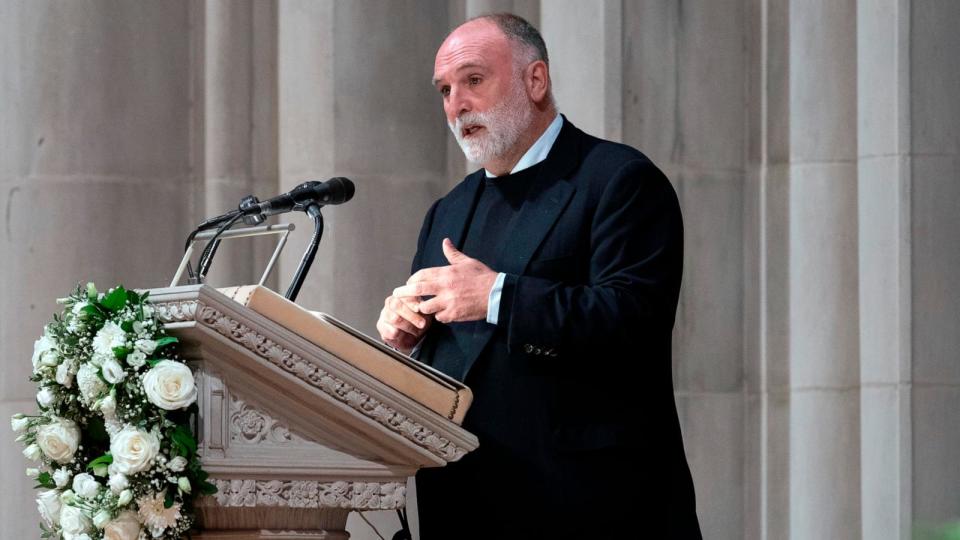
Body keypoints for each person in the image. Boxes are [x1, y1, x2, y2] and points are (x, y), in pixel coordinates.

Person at [376, 13, 702, 539]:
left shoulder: (617, 181)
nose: (456, 105)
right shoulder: (448, 211)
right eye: (445, 90)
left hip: (589, 507)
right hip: (464, 505)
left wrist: (496, 295)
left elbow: (632, 322)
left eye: (474, 81)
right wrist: (407, 335)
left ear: (536, 80)